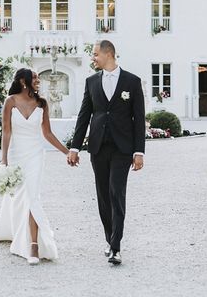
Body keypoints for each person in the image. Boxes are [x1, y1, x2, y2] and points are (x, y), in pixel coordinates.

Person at [67, 40, 146, 266]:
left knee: (116, 193)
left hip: (123, 149)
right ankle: (110, 240)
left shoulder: (132, 81)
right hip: (98, 148)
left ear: (108, 53)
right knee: (103, 196)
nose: (93, 58)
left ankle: (116, 246)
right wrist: (75, 147)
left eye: (95, 54)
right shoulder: (91, 82)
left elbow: (139, 119)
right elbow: (84, 116)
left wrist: (139, 151)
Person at [0, 68, 69, 265]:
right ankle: (16, 231)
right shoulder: (10, 101)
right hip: (17, 155)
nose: (38, 80)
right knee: (20, 198)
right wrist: (4, 159)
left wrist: (67, 152)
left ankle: (33, 244)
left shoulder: (42, 103)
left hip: (35, 155)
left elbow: (48, 134)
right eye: (34, 77)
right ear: (23, 81)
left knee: (32, 196)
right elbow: (6, 132)